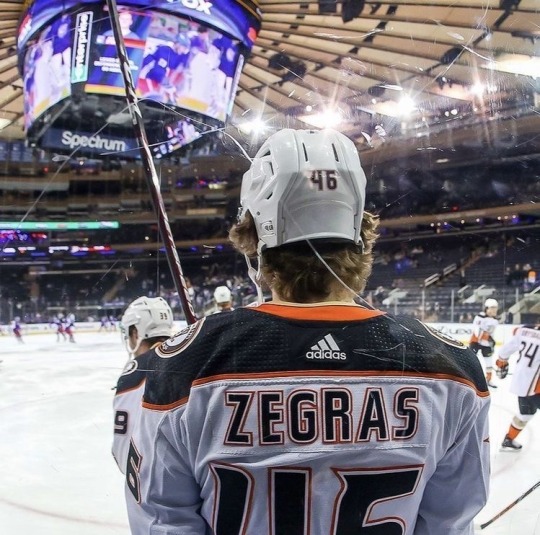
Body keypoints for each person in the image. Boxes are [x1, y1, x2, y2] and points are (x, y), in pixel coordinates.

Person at [124, 129, 490, 534]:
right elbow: (448, 524)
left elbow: (163, 523)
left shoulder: (182, 367)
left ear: (253, 240)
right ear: (361, 234)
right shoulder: (451, 367)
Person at [112, 296, 174, 474]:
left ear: (135, 332)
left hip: (155, 481)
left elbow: (123, 451)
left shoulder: (136, 373)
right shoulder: (193, 359)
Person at [495, 320, 540, 451]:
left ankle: (509, 439)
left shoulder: (524, 330)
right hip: (535, 386)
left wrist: (501, 363)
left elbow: (504, 352)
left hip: (521, 382)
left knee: (526, 413)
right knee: (526, 413)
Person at [469, 298, 500, 388]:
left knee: (489, 362)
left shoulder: (495, 321)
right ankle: (469, 378)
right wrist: (487, 337)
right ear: (487, 308)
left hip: (486, 344)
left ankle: (489, 380)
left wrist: (491, 342)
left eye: (495, 308)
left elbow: (490, 333)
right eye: (492, 308)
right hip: (475, 342)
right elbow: (477, 332)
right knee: (471, 360)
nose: (495, 310)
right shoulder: (479, 317)